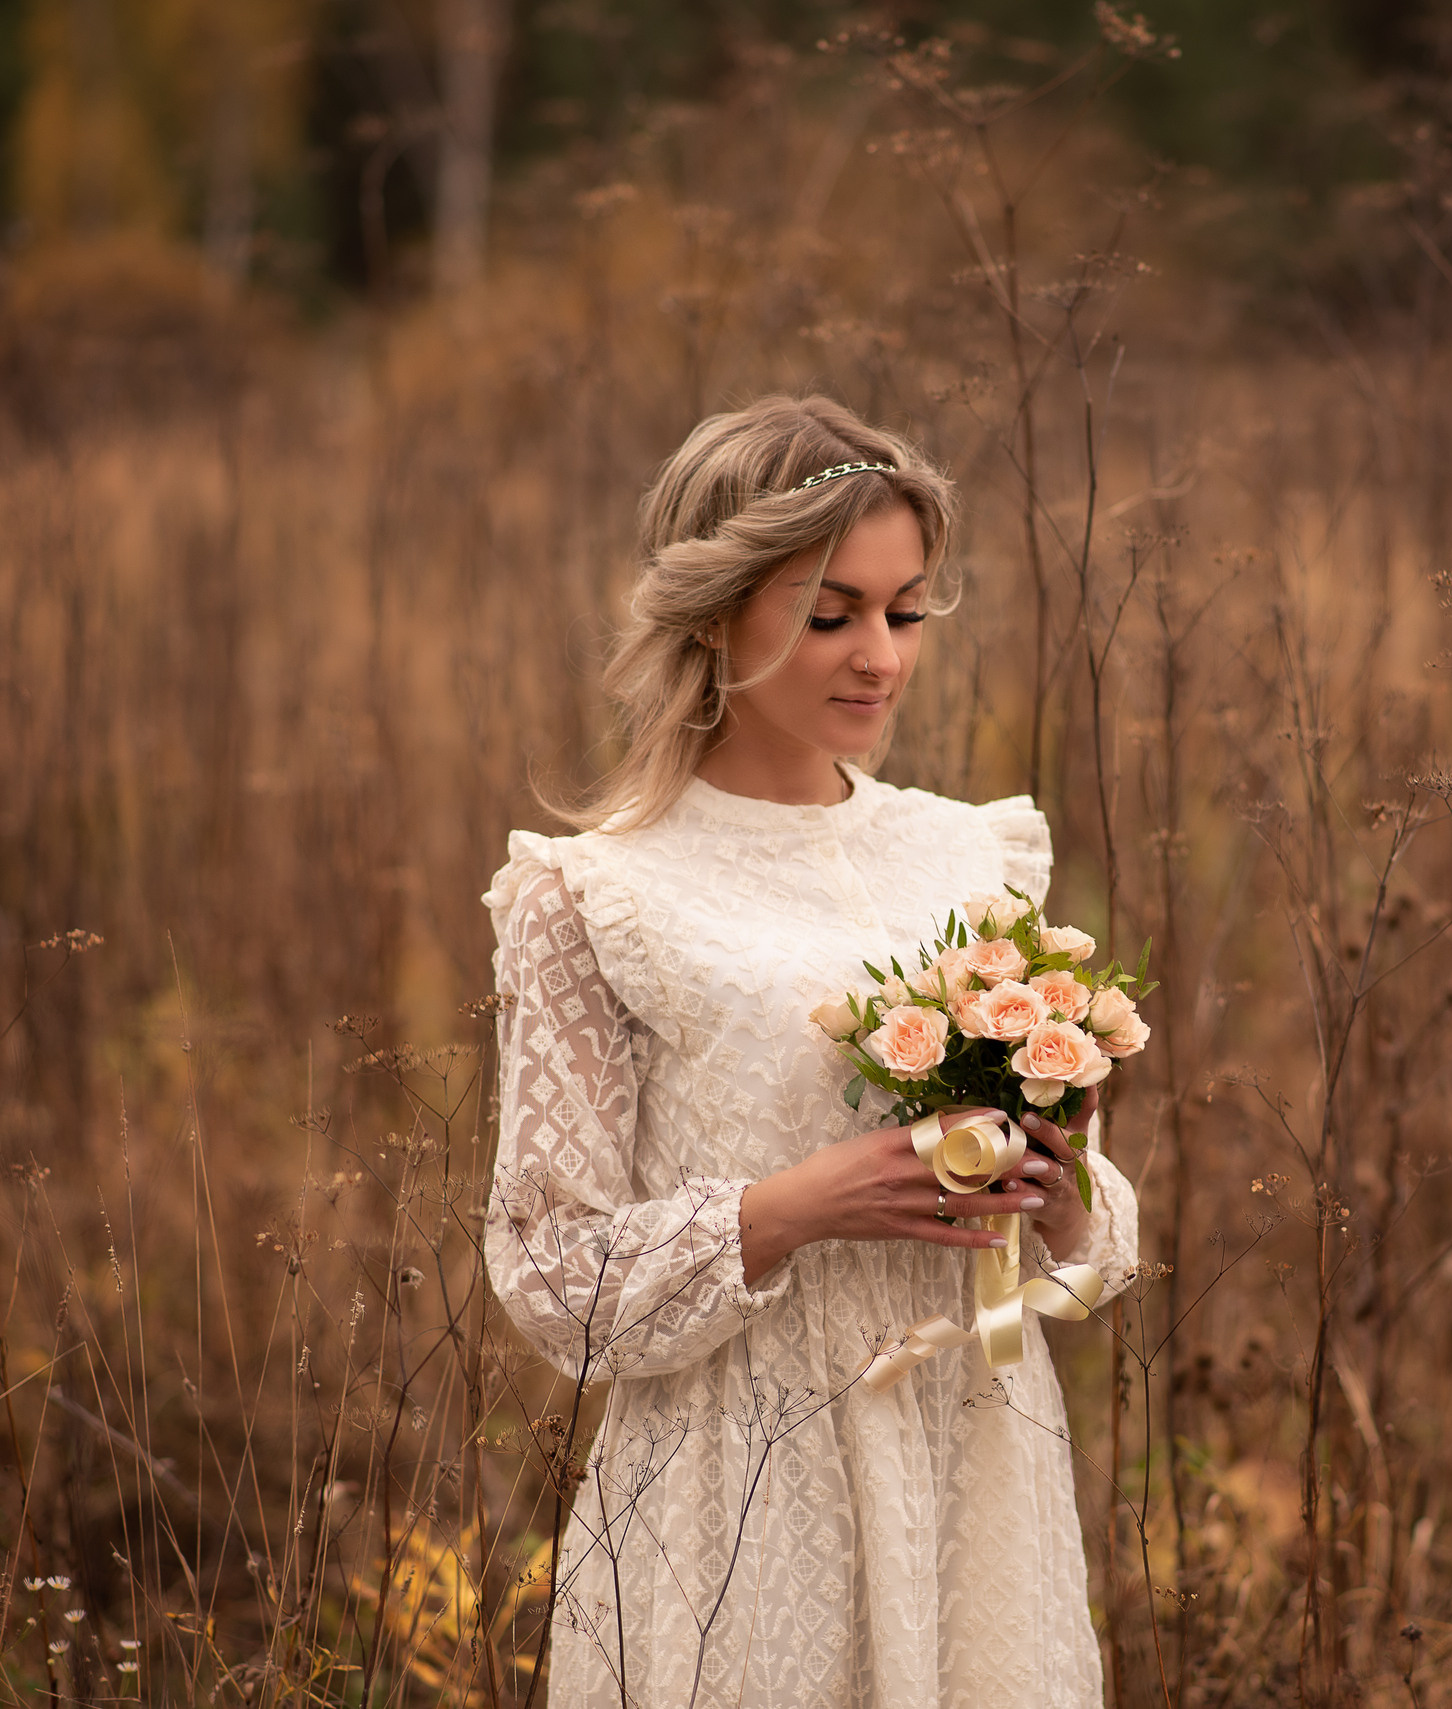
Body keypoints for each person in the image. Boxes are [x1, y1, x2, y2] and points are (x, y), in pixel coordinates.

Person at [482, 394, 1140, 1708]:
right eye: (830, 615)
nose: (880, 657)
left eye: (906, 612)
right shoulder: (598, 894)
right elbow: (553, 1281)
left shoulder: (974, 855)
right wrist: (793, 1209)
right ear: (714, 613)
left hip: (975, 1461)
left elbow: (1092, 1247)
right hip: (739, 1481)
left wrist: (1060, 1185)